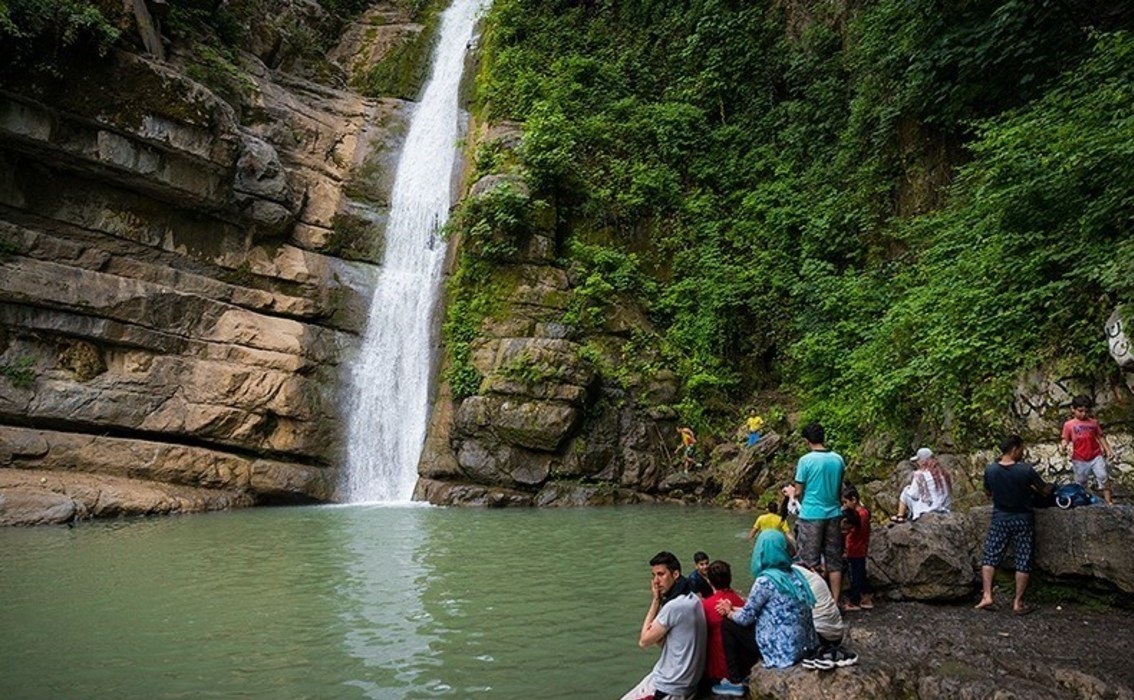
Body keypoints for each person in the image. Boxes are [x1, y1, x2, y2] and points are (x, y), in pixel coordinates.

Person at [711, 530, 818, 696]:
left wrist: (728, 612)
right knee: (736, 619)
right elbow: (768, 609)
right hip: (803, 646)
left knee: (728, 624)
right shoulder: (794, 574)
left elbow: (746, 618)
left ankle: (735, 681)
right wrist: (733, 608)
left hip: (781, 650)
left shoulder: (765, 581)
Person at [975, 435, 1052, 615]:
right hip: (1023, 518)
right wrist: (1050, 487)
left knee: (990, 556)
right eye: (1022, 449)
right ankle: (1017, 602)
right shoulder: (1026, 470)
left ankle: (987, 595)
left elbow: (988, 492)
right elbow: (1045, 491)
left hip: (1000, 517)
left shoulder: (991, 470)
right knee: (1023, 559)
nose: (1023, 452)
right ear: (1015, 448)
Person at [621, 552, 707, 700]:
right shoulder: (693, 598)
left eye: (661, 574)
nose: (656, 581)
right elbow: (665, 643)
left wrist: (655, 601)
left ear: (675, 574)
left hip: (670, 685)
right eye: (653, 575)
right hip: (682, 679)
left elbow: (644, 641)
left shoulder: (674, 606)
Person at [793, 422, 846, 602]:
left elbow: (799, 491)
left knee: (808, 561)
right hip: (833, 512)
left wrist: (794, 496)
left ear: (807, 441)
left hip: (811, 514)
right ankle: (835, 601)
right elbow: (839, 489)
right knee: (834, 560)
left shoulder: (805, 461)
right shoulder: (838, 459)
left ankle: (814, 602)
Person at [792, 564, 856, 669]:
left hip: (820, 634)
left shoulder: (791, 576)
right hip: (837, 634)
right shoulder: (814, 577)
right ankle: (830, 651)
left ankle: (822, 653)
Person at [1061, 395, 1115, 506]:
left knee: (1103, 476)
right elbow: (1065, 439)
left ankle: (1109, 501)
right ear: (1073, 409)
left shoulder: (1093, 423)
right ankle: (1084, 501)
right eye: (1080, 411)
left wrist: (1108, 449)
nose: (1083, 414)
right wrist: (1064, 446)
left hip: (1096, 455)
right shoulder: (1069, 425)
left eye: (1086, 411)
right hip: (1079, 457)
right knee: (1081, 482)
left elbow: (1100, 436)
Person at [700, 561, 746, 689]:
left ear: (709, 581)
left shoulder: (705, 606)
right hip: (743, 665)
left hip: (718, 670)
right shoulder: (740, 602)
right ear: (730, 578)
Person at [891, 447, 954, 523]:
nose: (917, 463)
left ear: (922, 461)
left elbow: (913, 494)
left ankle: (900, 516)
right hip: (943, 508)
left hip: (926, 510)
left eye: (918, 461)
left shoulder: (920, 475)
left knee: (906, 490)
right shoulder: (944, 473)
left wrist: (909, 488)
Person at [840, 487, 873, 611]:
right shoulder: (862, 513)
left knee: (856, 575)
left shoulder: (862, 514)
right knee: (860, 574)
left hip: (857, 549)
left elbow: (859, 531)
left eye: (846, 502)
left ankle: (854, 601)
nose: (845, 505)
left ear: (853, 500)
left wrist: (847, 529)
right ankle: (866, 596)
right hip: (855, 548)